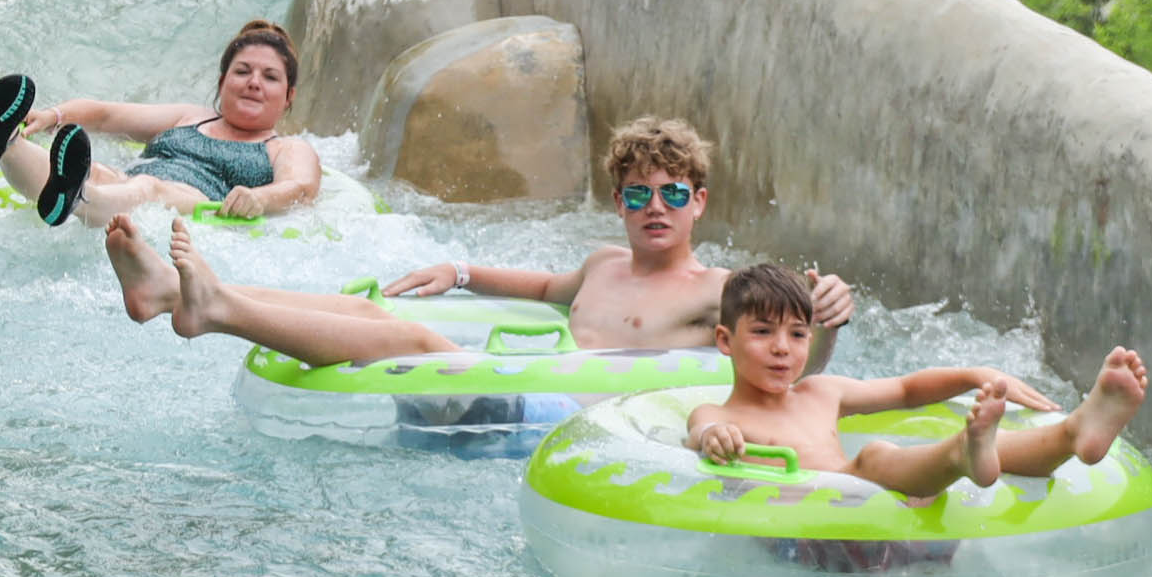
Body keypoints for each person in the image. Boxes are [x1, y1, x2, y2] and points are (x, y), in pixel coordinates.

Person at [98, 114, 853, 369]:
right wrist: (456, 269)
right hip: (534, 383)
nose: (655, 207)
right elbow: (539, 290)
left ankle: (218, 309)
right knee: (376, 315)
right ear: (619, 204)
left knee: (422, 345)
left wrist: (823, 316)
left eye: (672, 194)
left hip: (557, 414)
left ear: (700, 202)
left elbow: (785, 353)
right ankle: (171, 292)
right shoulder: (601, 264)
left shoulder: (722, 291)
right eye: (637, 194)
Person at [687, 262, 1147, 495]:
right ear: (725, 341)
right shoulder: (720, 413)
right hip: (808, 538)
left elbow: (908, 389)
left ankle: (1074, 433)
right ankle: (965, 455)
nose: (783, 348)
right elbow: (703, 432)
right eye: (763, 333)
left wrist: (973, 374)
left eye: (798, 333)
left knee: (973, 447)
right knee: (873, 458)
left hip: (884, 520)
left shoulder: (821, 391)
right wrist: (716, 437)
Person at [0, 20, 313, 229]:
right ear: (222, 82)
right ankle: (5, 143)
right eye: (242, 71)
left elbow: (299, 187)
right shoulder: (189, 117)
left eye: (269, 77)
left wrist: (258, 199)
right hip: (127, 184)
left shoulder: (286, 147)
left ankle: (79, 197)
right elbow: (105, 114)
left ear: (289, 95)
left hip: (193, 202)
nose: (253, 82)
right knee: (101, 172)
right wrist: (52, 116)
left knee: (148, 187)